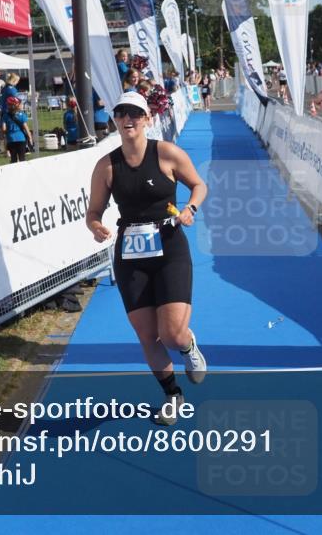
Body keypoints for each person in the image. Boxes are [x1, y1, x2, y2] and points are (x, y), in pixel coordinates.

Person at [86, 91, 208, 425]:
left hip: (169, 247)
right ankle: (173, 396)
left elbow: (199, 185)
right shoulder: (107, 165)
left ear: (148, 119)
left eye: (136, 114)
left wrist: (190, 208)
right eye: (122, 113)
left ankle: (187, 345)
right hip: (130, 253)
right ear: (115, 119)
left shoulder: (166, 153)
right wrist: (96, 226)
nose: (129, 119)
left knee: (172, 334)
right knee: (146, 335)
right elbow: (93, 211)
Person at [0, 96, 33, 163]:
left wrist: (3, 135)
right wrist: (30, 138)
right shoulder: (21, 115)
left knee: (13, 159)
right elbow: (26, 128)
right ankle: (23, 171)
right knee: (22, 158)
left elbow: (3, 129)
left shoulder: (5, 116)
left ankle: (14, 172)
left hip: (11, 139)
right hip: (21, 139)